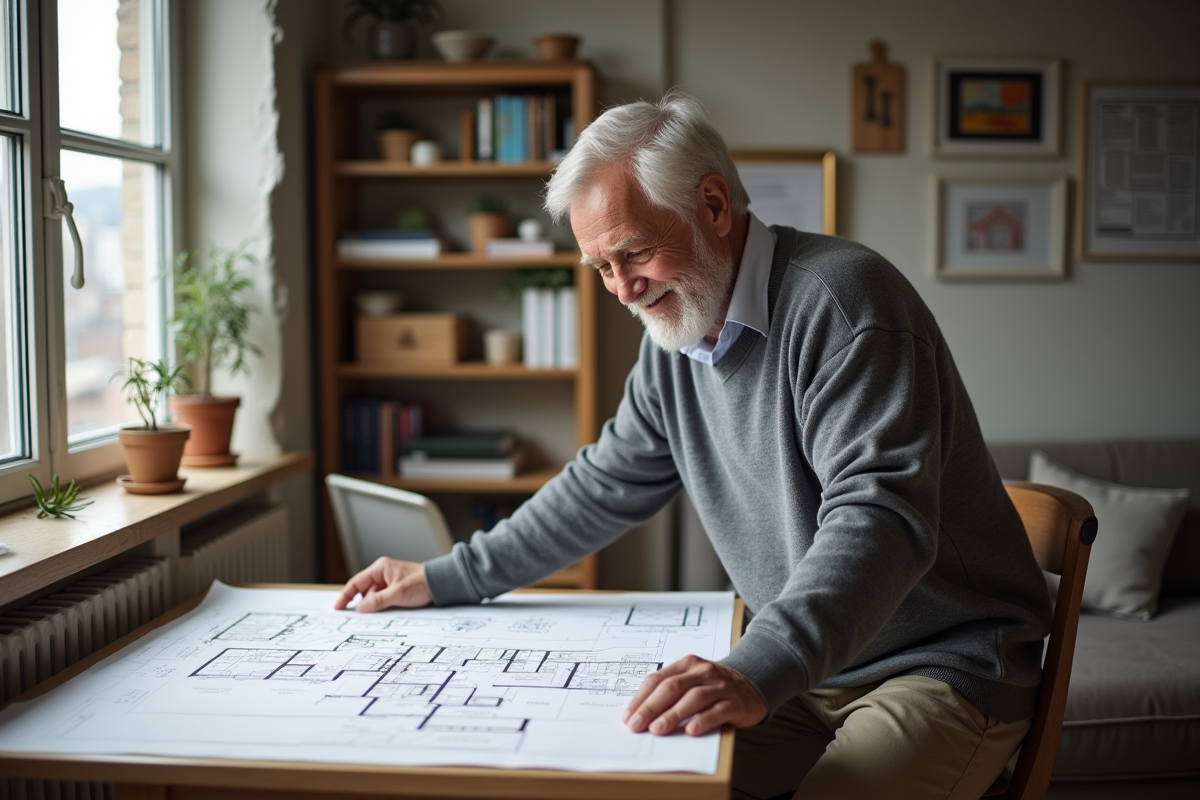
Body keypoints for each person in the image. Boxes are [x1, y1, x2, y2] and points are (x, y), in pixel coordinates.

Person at [335, 93, 1052, 800]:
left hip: (938, 667)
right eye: (601, 269)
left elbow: (880, 519)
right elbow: (600, 487)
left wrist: (756, 669)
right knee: (621, 780)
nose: (622, 290)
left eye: (634, 254)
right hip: (809, 673)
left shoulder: (845, 303)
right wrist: (446, 576)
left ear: (713, 205)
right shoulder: (678, 338)